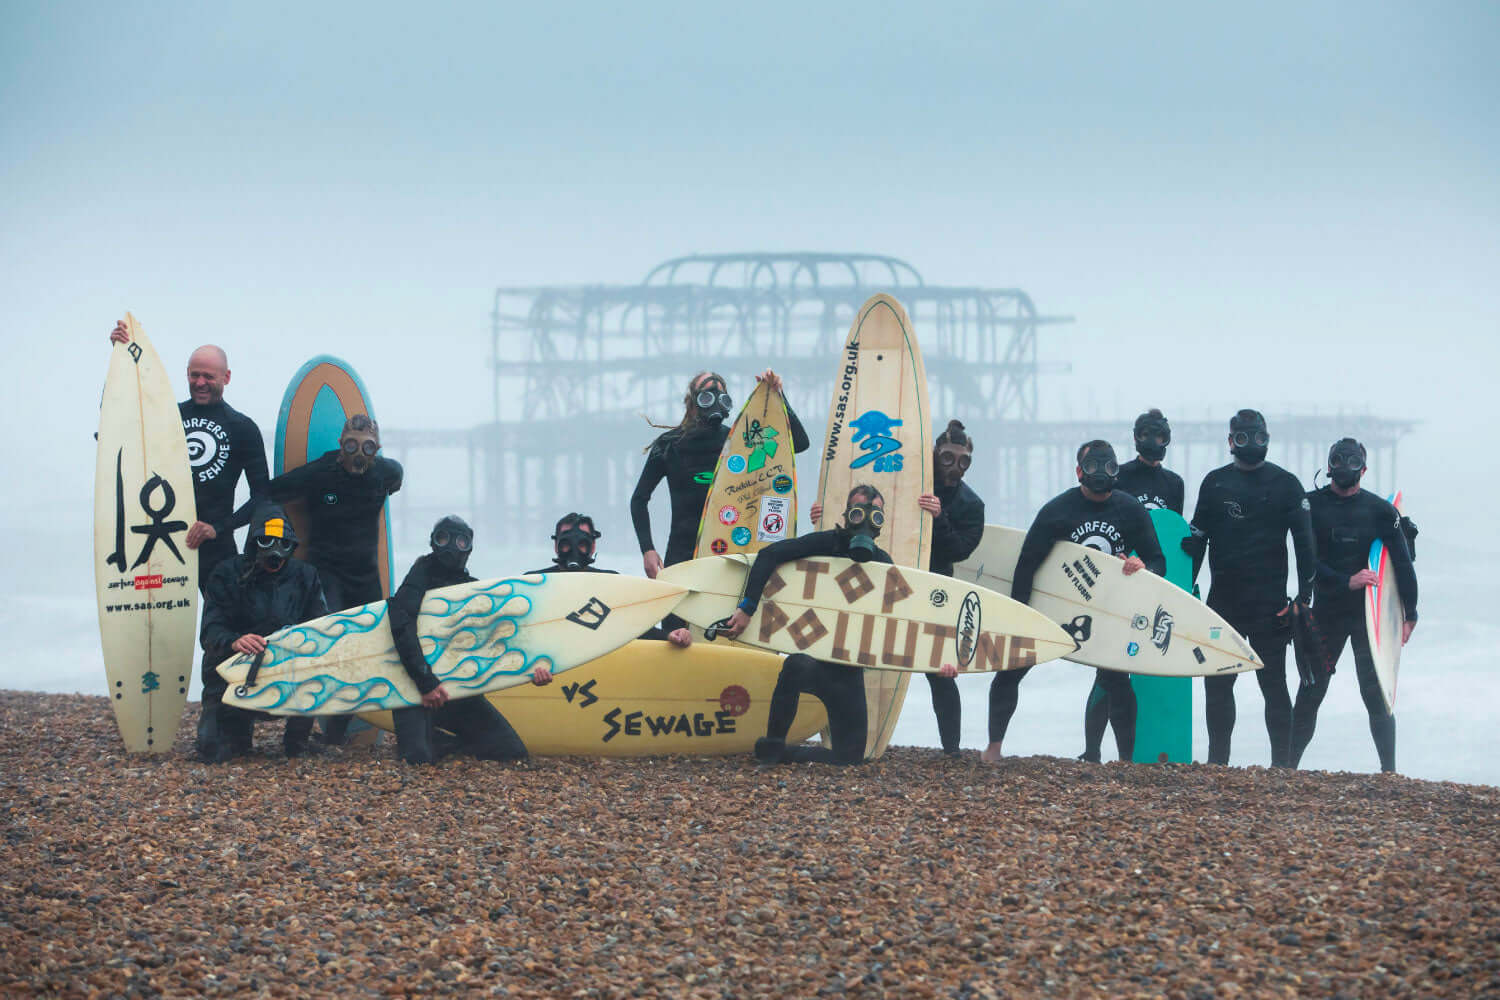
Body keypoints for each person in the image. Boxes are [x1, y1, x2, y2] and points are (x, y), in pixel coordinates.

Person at [720, 485, 956, 765]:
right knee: (796, 665)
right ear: (846, 515)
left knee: (851, 757)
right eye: (858, 513)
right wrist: (747, 608)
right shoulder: (825, 544)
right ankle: (773, 744)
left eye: (875, 516)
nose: (866, 523)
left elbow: (905, 619)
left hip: (847, 673)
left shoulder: (882, 564)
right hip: (812, 662)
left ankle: (780, 753)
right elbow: (769, 555)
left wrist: (936, 661)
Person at [983, 440, 1163, 763]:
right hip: (1058, 608)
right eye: (1092, 466)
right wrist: (1019, 614)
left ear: (1116, 470)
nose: (1100, 473)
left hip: (1108, 609)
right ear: (1078, 471)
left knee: (1118, 680)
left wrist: (1142, 567)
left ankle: (1125, 761)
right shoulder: (1058, 511)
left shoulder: (1130, 509)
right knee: (1013, 669)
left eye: (1108, 467)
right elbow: (1026, 565)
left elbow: (1157, 561)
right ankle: (993, 749)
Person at [1183, 409, 1317, 767]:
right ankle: (1218, 762)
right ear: (1230, 441)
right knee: (1217, 684)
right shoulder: (1214, 483)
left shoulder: (1286, 484)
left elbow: (1306, 545)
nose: (1250, 445)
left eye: (1258, 438)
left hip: (1270, 606)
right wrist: (1184, 592)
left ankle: (1282, 767)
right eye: (1242, 438)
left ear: (1267, 440)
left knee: (1274, 685)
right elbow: (1196, 542)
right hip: (1222, 604)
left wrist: (1302, 601)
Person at [267, 413, 402, 746]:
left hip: (365, 578)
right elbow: (269, 493)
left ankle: (335, 734)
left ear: (378, 449)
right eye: (352, 445)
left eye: (367, 447)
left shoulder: (388, 473)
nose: (359, 454)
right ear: (341, 445)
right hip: (325, 575)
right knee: (321, 648)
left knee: (360, 654)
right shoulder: (319, 473)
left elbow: (395, 479)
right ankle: (296, 735)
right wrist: (245, 530)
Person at [108, 322, 270, 593]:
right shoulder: (167, 417)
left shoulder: (242, 428)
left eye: (209, 376)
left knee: (222, 628)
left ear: (226, 377)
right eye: (194, 375)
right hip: (159, 545)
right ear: (186, 374)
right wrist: (120, 359)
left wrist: (217, 528)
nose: (200, 383)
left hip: (216, 548)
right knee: (163, 629)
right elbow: (119, 422)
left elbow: (263, 497)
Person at [1290, 439, 1418, 772]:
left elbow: (1402, 564)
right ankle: (1288, 769)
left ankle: (1388, 773)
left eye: (1351, 462)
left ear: (1363, 469)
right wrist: (1345, 580)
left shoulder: (1380, 511)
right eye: (1338, 461)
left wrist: (1410, 612)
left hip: (1367, 617)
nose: (1344, 468)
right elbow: (1307, 563)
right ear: (1329, 465)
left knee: (1375, 694)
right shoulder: (1311, 505)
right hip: (1328, 613)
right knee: (1311, 692)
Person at [389, 515, 552, 765]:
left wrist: (534, 668)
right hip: (415, 692)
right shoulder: (419, 576)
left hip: (457, 691)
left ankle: (447, 742)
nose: (452, 547)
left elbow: (504, 637)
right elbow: (400, 623)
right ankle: (434, 740)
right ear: (433, 543)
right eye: (443, 538)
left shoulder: (473, 590)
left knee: (510, 750)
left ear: (470, 548)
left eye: (461, 541)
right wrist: (426, 683)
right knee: (417, 759)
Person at [1078, 408, 1186, 762]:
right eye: (1147, 436)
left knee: (1127, 668)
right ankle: (1093, 750)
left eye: (1160, 437)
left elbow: (1170, 536)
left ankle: (1126, 754)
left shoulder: (1174, 484)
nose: (1153, 443)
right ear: (1136, 436)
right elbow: (1100, 519)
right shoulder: (1118, 475)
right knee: (1107, 669)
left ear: (1167, 439)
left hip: (1151, 581)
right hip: (1115, 582)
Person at [631, 370, 811, 578]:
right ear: (693, 401)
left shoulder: (738, 442)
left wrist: (777, 395)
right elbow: (639, 499)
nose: (715, 403)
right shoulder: (669, 444)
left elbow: (799, 444)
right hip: (682, 554)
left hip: (729, 554)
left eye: (721, 398)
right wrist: (648, 550)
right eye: (707, 396)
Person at [196, 504, 326, 762]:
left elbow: (320, 630)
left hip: (287, 668)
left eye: (283, 544)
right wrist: (234, 641)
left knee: (315, 669)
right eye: (266, 543)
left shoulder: (305, 576)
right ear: (253, 544)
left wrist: (294, 643)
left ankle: (297, 741)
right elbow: (210, 631)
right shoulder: (226, 574)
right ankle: (237, 733)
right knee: (214, 751)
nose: (275, 553)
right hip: (232, 673)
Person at [917, 421, 985, 756]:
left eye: (963, 461)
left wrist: (939, 517)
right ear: (934, 454)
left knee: (940, 671)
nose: (954, 467)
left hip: (936, 589)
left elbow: (959, 550)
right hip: (892, 580)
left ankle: (951, 750)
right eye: (947, 458)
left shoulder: (972, 506)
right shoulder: (907, 481)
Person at [527, 512, 692, 646]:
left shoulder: (610, 583)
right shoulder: (533, 584)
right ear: (556, 546)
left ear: (592, 546)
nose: (574, 550)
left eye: (582, 543)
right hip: (547, 669)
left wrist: (669, 636)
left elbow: (631, 625)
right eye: (566, 544)